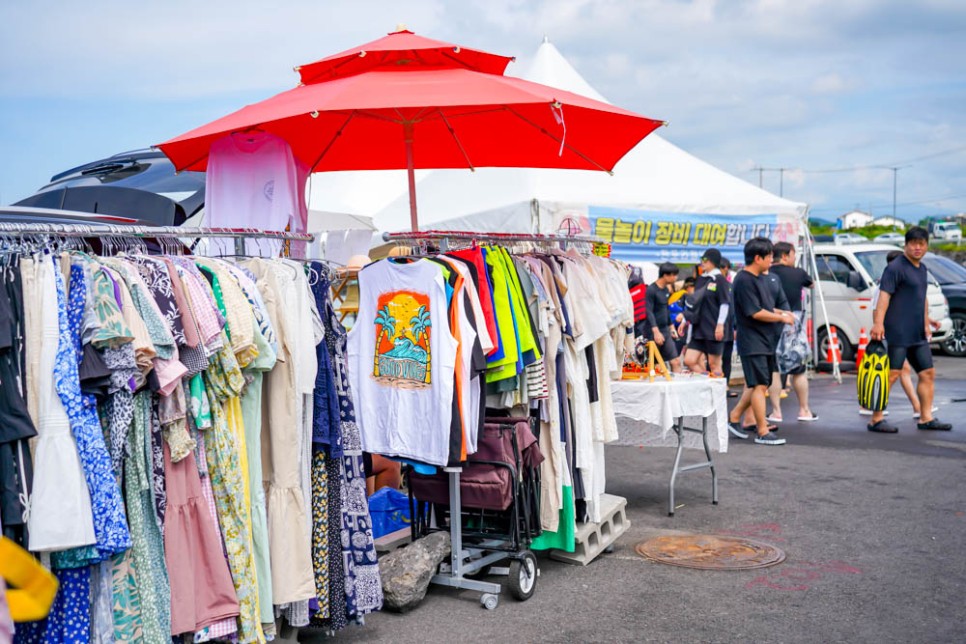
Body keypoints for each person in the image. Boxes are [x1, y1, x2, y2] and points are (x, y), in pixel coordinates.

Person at [867, 231, 950, 432]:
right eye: (913, 244)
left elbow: (920, 297)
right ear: (906, 245)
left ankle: (925, 417)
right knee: (892, 375)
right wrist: (878, 323)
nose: (917, 248)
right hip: (898, 332)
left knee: (928, 372)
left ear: (927, 245)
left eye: (921, 244)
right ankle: (876, 419)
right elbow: (883, 297)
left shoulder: (922, 269)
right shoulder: (895, 268)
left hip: (917, 334)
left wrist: (926, 321)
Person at [727, 237, 795, 445]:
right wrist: (782, 317)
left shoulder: (760, 279)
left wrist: (782, 312)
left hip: (765, 340)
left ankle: (734, 417)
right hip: (752, 340)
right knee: (758, 385)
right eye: (768, 257)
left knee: (760, 383)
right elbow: (755, 312)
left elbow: (765, 307)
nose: (771, 261)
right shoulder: (744, 280)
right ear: (757, 258)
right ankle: (762, 431)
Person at [767, 241, 817, 422]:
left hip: (771, 322)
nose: (795, 259)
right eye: (794, 255)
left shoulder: (767, 274)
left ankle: (776, 412)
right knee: (798, 369)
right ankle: (804, 410)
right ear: (786, 255)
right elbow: (812, 284)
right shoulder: (799, 273)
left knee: (774, 370)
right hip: (793, 325)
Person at [683, 249, 732, 376]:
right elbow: (695, 303)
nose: (702, 263)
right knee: (689, 360)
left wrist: (720, 325)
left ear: (713, 262)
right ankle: (709, 381)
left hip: (713, 328)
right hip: (699, 328)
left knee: (714, 364)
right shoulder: (700, 279)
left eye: (705, 260)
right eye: (701, 260)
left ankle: (719, 392)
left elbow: (724, 303)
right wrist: (685, 319)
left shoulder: (720, 280)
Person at [645, 262, 682, 373]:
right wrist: (656, 332)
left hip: (665, 330)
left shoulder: (666, 290)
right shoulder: (651, 290)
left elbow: (665, 310)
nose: (676, 277)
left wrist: (671, 328)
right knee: (655, 365)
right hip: (653, 331)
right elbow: (649, 311)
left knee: (675, 361)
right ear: (665, 275)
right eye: (674, 275)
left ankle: (677, 388)